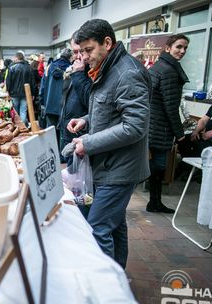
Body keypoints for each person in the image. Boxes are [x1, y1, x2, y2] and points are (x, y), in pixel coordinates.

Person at [67, 19, 151, 269]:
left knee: (98, 228)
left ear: (107, 42)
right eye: (80, 51)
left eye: (88, 50)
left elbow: (134, 127)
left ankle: (103, 286)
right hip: (109, 164)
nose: (84, 56)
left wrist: (88, 142)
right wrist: (85, 120)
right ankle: (117, 275)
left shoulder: (128, 73)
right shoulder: (109, 67)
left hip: (120, 168)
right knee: (115, 226)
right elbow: (113, 111)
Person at [146, 34, 190, 213]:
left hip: (152, 124)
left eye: (185, 48)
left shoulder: (159, 66)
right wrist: (180, 134)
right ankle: (154, 203)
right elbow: (171, 107)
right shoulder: (169, 71)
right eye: (179, 47)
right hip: (160, 127)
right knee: (158, 166)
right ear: (168, 48)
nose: (182, 51)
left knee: (154, 166)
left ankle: (154, 202)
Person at [59, 34, 91, 166]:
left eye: (81, 51)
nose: (78, 56)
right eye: (75, 52)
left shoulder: (90, 72)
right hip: (68, 130)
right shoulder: (74, 69)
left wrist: (78, 74)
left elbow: (89, 100)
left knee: (78, 182)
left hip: (82, 135)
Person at [42, 48, 73, 147]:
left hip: (49, 104)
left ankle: (49, 150)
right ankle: (61, 156)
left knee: (50, 131)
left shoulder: (50, 67)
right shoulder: (71, 69)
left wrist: (42, 102)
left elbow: (43, 86)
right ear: (70, 57)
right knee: (62, 133)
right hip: (63, 106)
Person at [6, 50, 36, 124]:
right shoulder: (29, 67)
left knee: (15, 112)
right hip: (26, 93)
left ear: (16, 58)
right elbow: (33, 82)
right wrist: (33, 93)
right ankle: (23, 129)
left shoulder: (12, 67)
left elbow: (8, 81)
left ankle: (17, 128)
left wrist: (8, 92)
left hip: (14, 93)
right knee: (23, 111)